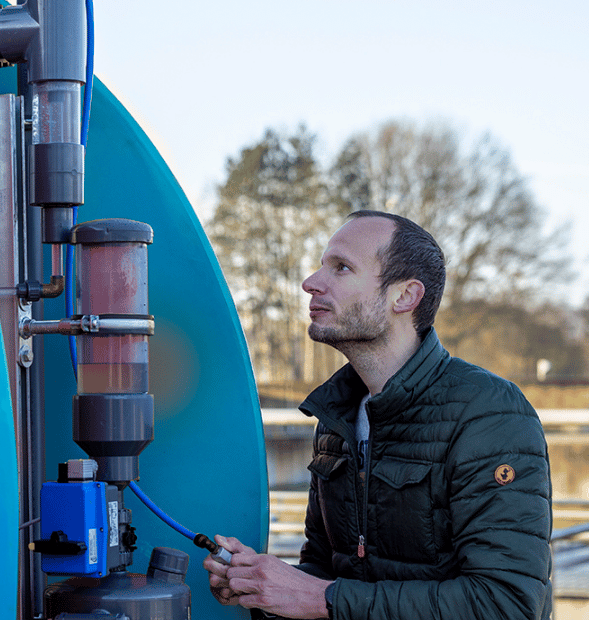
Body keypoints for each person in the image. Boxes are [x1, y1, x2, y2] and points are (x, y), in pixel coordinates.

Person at [205, 210, 552, 619]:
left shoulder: (489, 415)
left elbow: (506, 603)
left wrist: (320, 597)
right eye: (322, 266)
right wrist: (263, 588)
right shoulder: (338, 418)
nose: (311, 282)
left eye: (342, 267)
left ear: (404, 297)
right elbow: (328, 574)